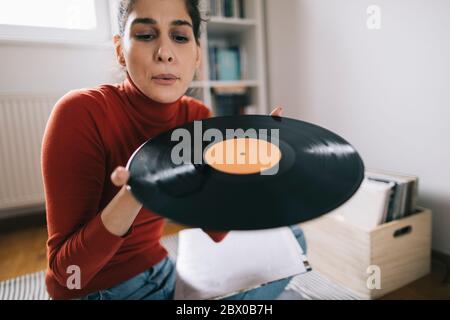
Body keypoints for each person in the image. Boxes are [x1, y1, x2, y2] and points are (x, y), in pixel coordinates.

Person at [42, 0, 305, 300]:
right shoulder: (80, 112)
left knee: (293, 237)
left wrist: (242, 176)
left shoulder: (196, 117)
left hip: (164, 273)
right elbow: (68, 272)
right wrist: (134, 191)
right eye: (145, 35)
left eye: (179, 37)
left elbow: (216, 231)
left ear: (196, 56)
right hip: (98, 292)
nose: (165, 53)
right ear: (120, 50)